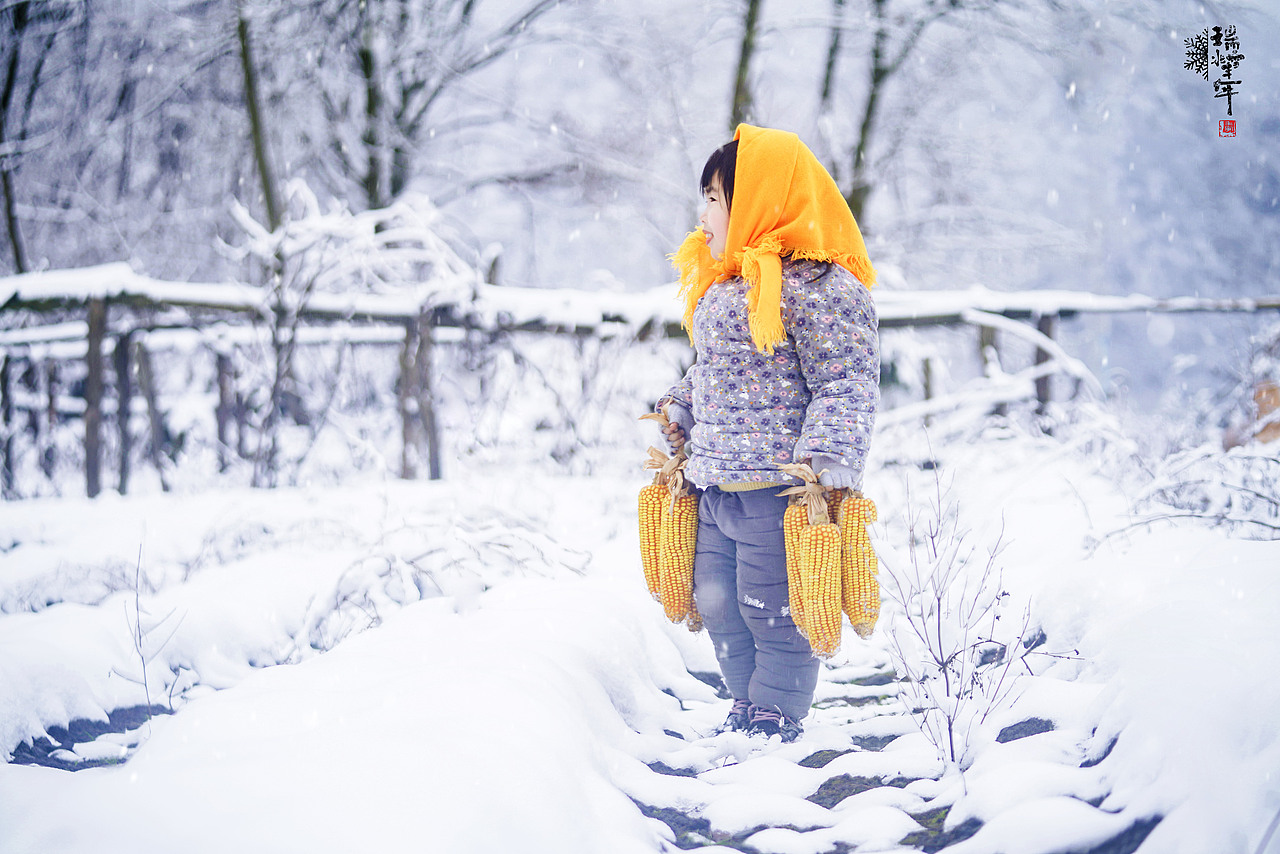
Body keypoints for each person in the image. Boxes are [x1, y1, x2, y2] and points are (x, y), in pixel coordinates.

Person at [652, 124, 880, 742]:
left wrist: (830, 452)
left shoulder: (816, 287)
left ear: (759, 201)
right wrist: (682, 404)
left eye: (715, 199)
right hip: (714, 481)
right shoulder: (723, 285)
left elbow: (846, 377)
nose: (702, 213)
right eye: (702, 198)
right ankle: (745, 700)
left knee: (771, 607)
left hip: (777, 489)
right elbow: (713, 368)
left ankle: (777, 711)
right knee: (719, 601)